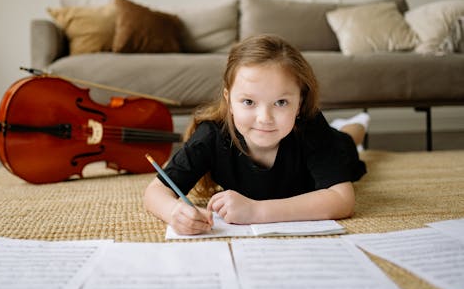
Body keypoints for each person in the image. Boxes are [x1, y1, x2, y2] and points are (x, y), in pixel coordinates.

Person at [144, 34, 368, 235]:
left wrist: (257, 211)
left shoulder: (310, 127)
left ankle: (356, 124)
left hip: (332, 144)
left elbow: (342, 200)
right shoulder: (211, 135)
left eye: (281, 102)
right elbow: (155, 192)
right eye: (249, 102)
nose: (264, 118)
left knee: (346, 142)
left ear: (299, 103)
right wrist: (173, 212)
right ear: (229, 100)